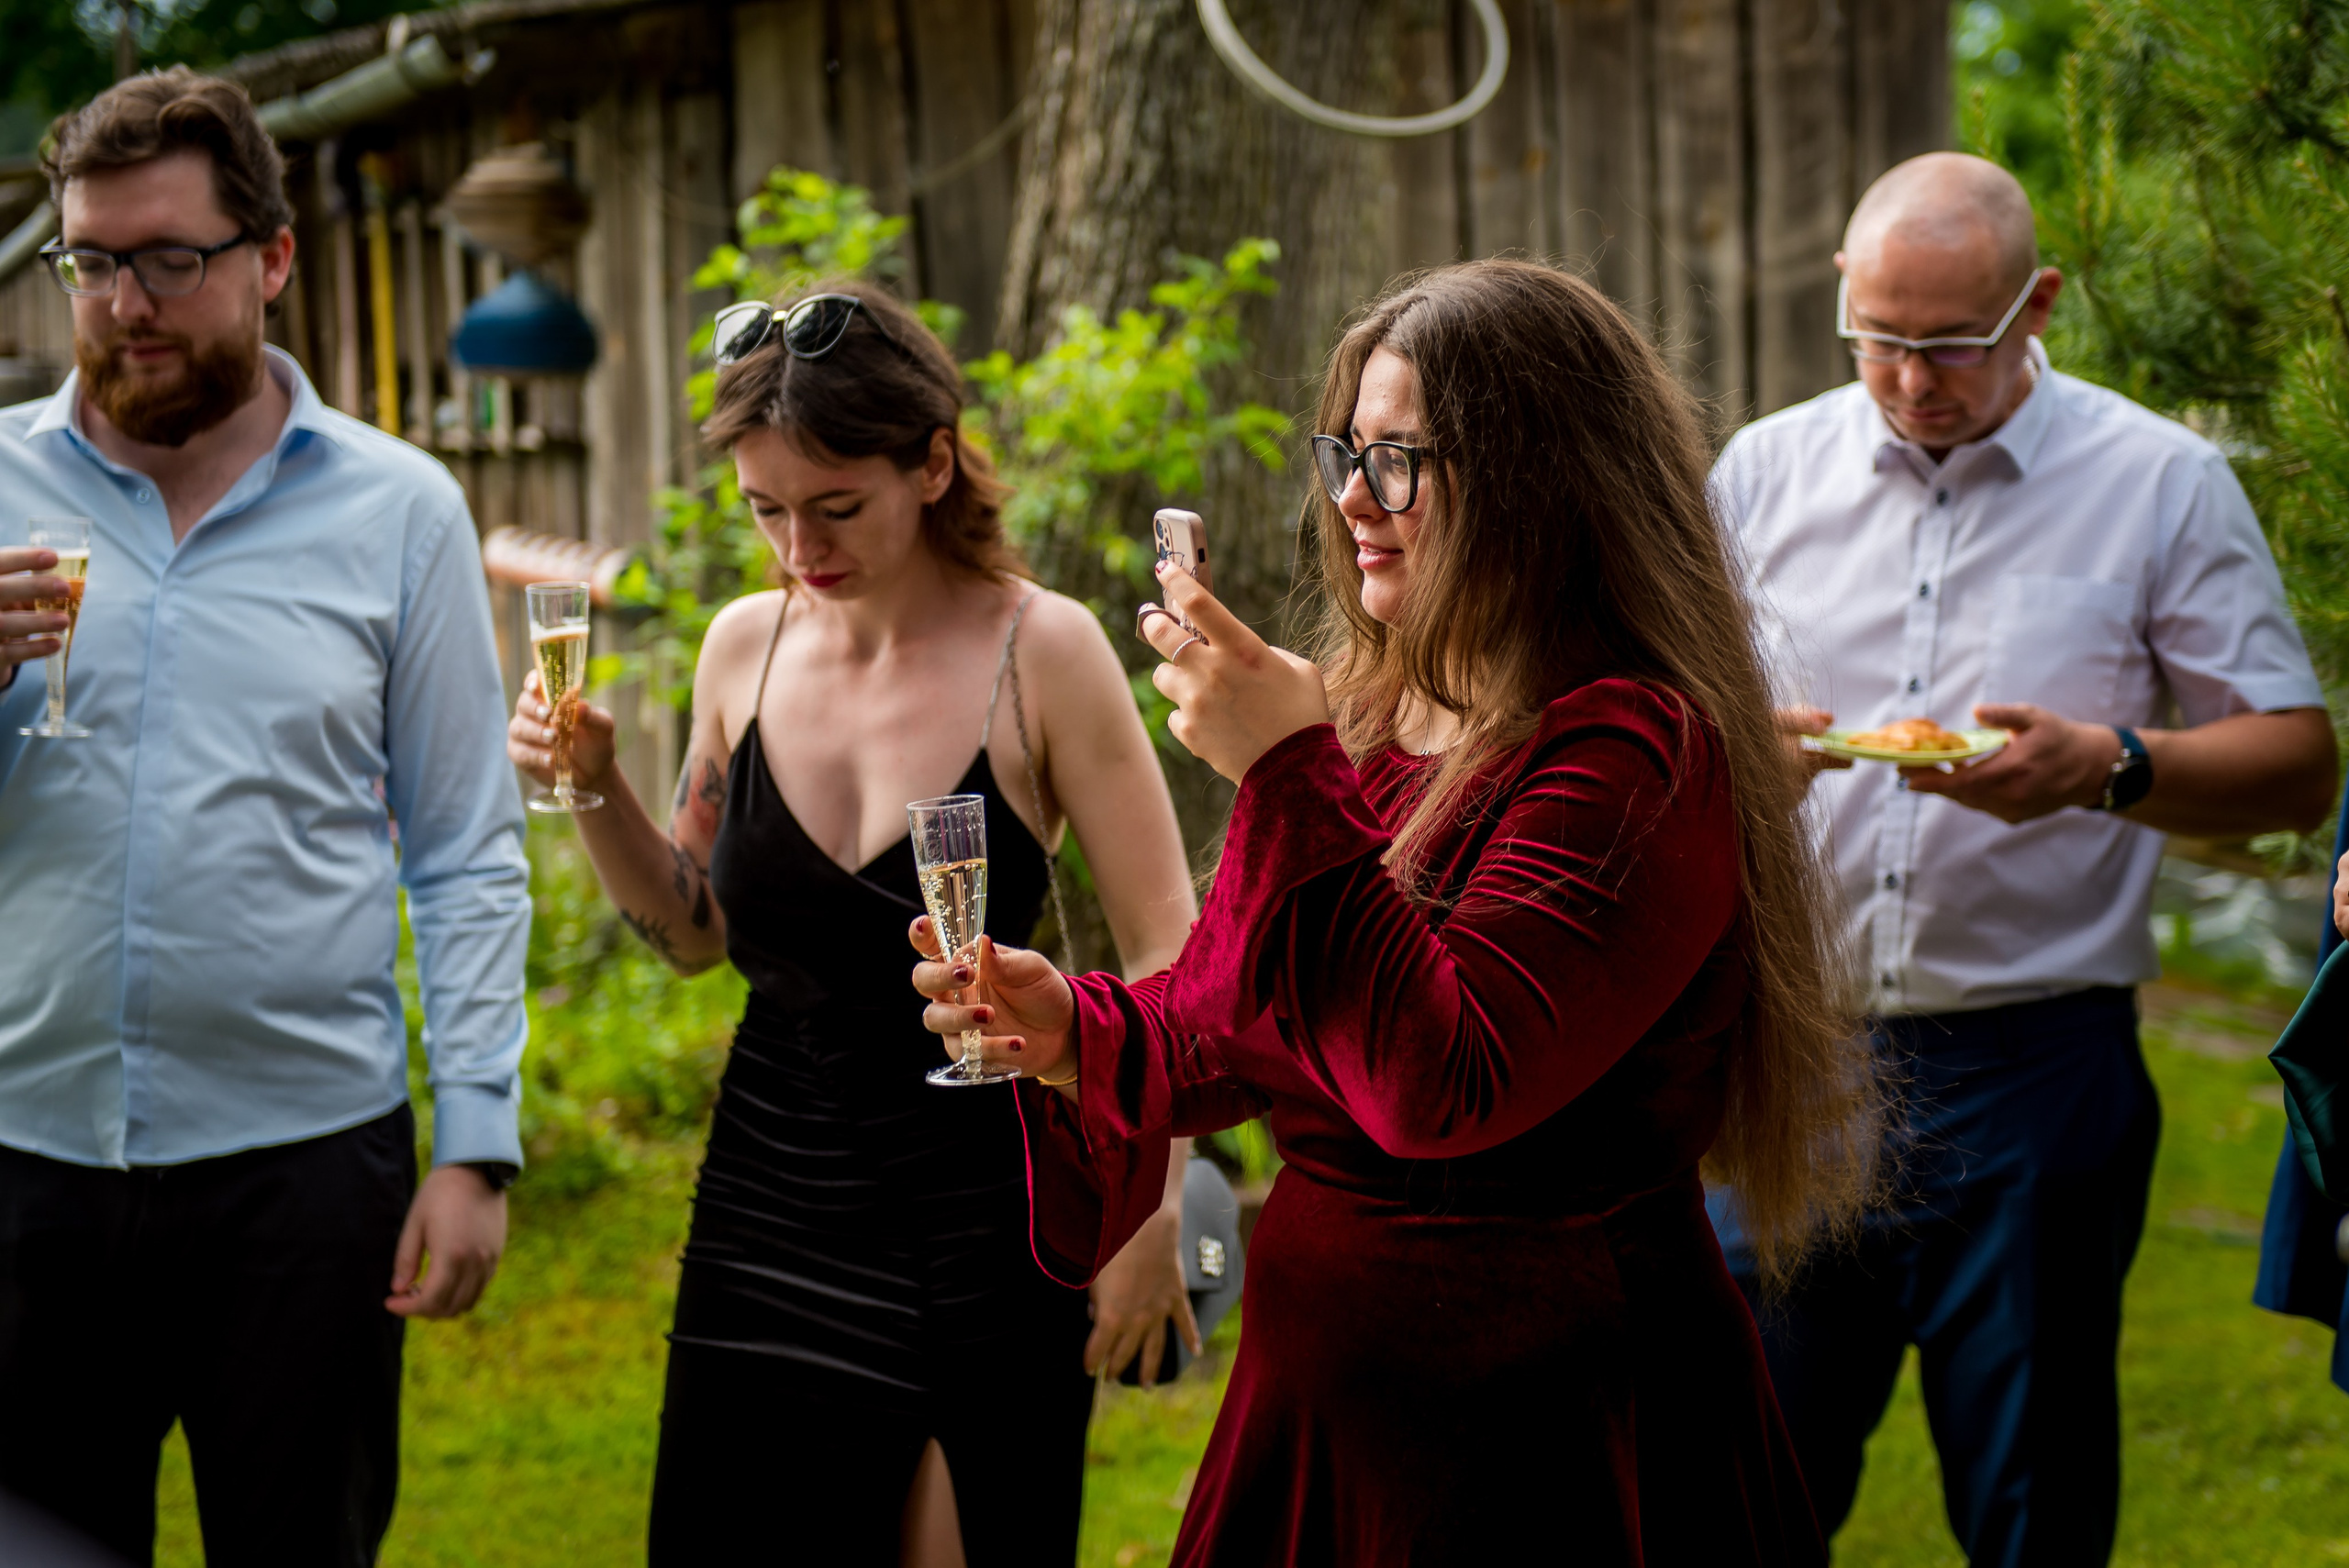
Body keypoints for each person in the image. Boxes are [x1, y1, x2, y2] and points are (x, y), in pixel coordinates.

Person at [909, 258, 1883, 1565]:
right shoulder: (1365, 723)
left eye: (1404, 461)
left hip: (1545, 1433)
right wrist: (1074, 1025)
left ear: (1541, 477)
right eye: (1349, 454)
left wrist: (1281, 766)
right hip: (1327, 1403)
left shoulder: (1637, 752)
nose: (1357, 500)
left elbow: (1445, 1079)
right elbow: (1229, 1022)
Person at [507, 277, 1200, 1565]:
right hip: (768, 1201)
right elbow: (697, 928)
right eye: (765, 509)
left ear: (933, 461)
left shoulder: (1041, 651)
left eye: (835, 507)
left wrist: (1153, 1206)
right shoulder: (743, 649)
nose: (797, 548)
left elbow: (1174, 951)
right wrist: (591, 784)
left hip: (988, 1213)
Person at [1711, 151, 2338, 1563]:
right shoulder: (1761, 471)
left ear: (2039, 304)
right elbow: (1668, 721)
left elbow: (2299, 763)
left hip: (2037, 1067)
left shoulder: (2160, 480)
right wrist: (1741, 749)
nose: (1913, 380)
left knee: (2036, 1508)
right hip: (1795, 1061)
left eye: (1953, 344)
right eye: (1880, 339)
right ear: (1843, 301)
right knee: (1742, 1484)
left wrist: (2114, 767)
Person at [0, 69, 529, 1565]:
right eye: (91, 260)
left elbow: (466, 850)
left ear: (271, 259)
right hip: (25, 1167)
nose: (123, 302)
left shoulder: (400, 510)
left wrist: (475, 1140)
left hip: (308, 1180)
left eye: (169, 258)